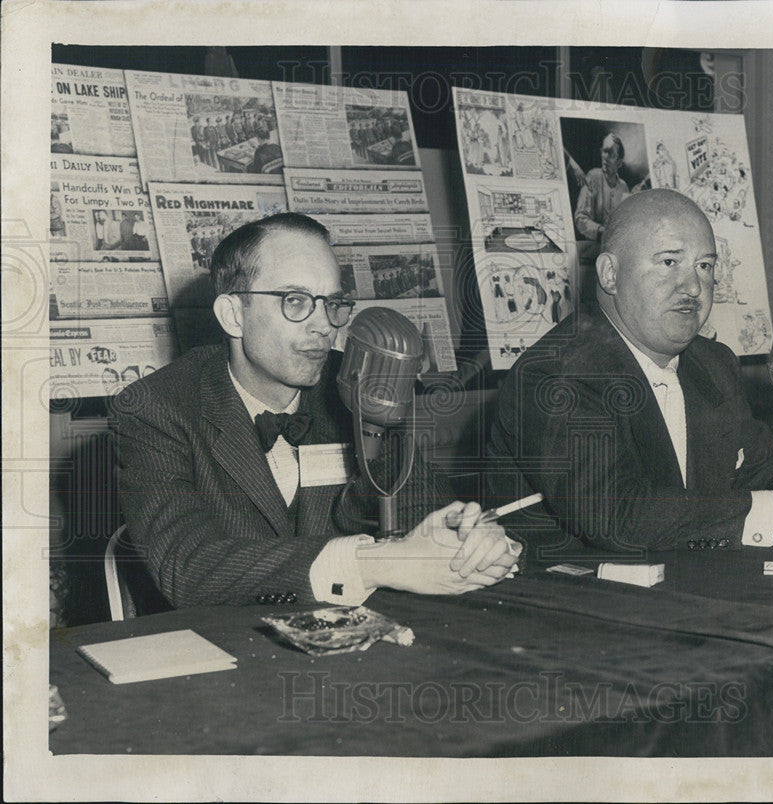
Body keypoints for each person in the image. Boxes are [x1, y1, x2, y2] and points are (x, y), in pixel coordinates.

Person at [112, 212, 519, 608]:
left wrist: (471, 541)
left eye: (332, 303)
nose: (325, 325)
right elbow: (189, 569)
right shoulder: (155, 408)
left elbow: (422, 507)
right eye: (296, 301)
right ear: (233, 315)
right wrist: (374, 564)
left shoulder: (361, 381)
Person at [488, 189, 773, 557]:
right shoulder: (555, 375)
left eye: (705, 266)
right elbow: (617, 518)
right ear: (610, 274)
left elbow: (767, 477)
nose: (692, 287)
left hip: (691, 593)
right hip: (570, 614)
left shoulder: (712, 363)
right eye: (669, 262)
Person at [573, 132, 632, 241]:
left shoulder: (624, 187)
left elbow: (626, 221)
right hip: (592, 247)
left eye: (610, 153)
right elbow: (580, 219)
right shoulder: (592, 177)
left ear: (619, 163)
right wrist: (600, 231)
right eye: (604, 151)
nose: (605, 157)